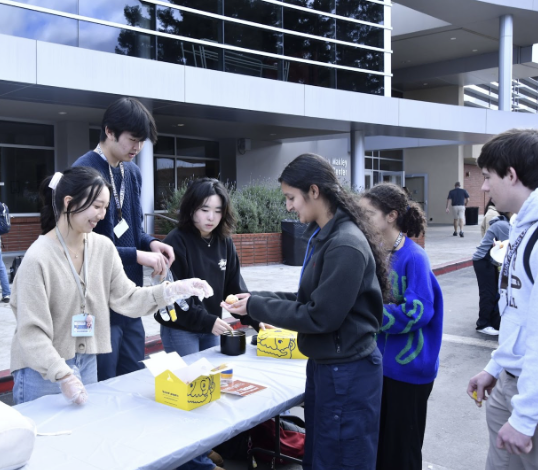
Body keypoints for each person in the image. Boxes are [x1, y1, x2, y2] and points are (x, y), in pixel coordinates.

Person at [222, 153, 390, 470]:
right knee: (320, 456)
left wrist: (257, 306)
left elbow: (319, 316)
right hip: (329, 367)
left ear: (314, 191)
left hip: (347, 372)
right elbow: (306, 299)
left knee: (340, 460)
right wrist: (253, 299)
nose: (288, 206)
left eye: (291, 197)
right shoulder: (325, 236)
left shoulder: (344, 244)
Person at [10, 168, 212, 406]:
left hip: (87, 362)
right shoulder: (37, 258)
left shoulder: (103, 247)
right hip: (40, 370)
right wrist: (63, 374)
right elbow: (30, 332)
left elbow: (127, 298)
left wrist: (173, 290)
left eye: (106, 207)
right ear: (68, 202)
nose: (102, 214)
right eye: (97, 206)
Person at [158, 178, 264, 470]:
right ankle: (196, 462)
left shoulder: (224, 241)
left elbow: (235, 288)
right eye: (205, 209)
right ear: (191, 208)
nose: (211, 217)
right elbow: (170, 303)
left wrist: (256, 319)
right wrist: (208, 321)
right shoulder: (175, 242)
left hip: (212, 328)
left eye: (217, 211)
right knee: (188, 397)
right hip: (182, 330)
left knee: (211, 394)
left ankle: (204, 451)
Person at [72, 97, 176, 381]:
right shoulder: (84, 172)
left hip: (130, 297)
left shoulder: (132, 172)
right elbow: (84, 247)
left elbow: (131, 229)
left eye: (142, 141)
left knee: (131, 377)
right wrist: (140, 256)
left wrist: (151, 242)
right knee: (101, 384)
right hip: (97, 302)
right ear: (109, 131)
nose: (138, 148)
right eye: (133, 139)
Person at [467, 128, 538, 470]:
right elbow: (518, 314)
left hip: (530, 400)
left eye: (487, 177)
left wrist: (525, 419)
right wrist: (496, 367)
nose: (482, 187)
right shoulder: (521, 229)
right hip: (510, 384)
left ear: (511, 175)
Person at [359, 183, 444, 470]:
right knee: (380, 447)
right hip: (378, 368)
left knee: (402, 452)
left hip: (409, 371)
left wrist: (367, 313)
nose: (362, 219)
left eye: (368, 213)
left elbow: (418, 312)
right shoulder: (372, 252)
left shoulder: (415, 257)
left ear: (392, 216)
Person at [472, 213, 511, 336]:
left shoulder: (501, 223)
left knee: (493, 291)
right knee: (488, 292)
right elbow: (508, 248)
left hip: (487, 260)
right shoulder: (503, 225)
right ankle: (483, 324)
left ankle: (489, 321)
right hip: (484, 260)